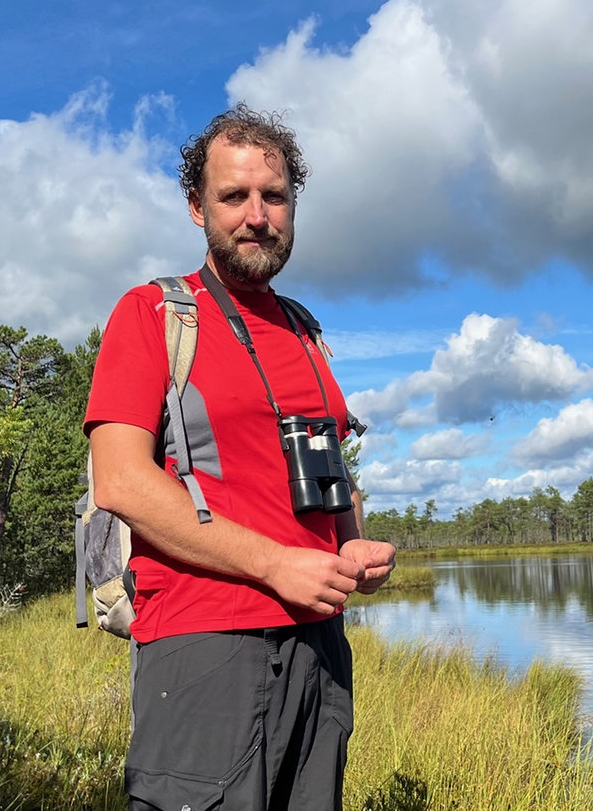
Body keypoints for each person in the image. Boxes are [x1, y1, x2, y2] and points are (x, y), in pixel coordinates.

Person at [85, 103, 396, 811]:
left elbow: (329, 473)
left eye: (274, 196)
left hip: (320, 644)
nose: (257, 215)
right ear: (197, 207)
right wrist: (275, 563)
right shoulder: (153, 313)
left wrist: (354, 549)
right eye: (234, 196)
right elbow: (122, 482)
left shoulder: (304, 330)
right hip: (205, 644)